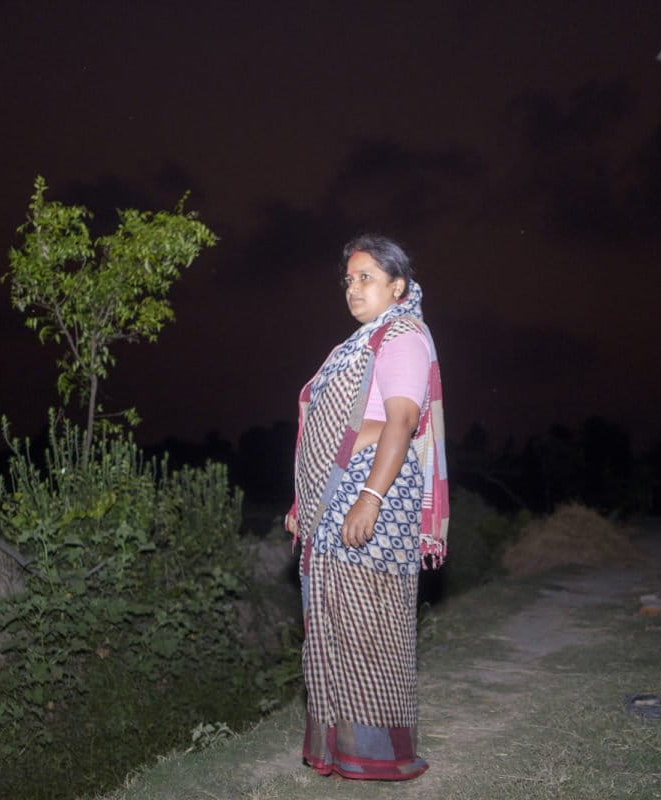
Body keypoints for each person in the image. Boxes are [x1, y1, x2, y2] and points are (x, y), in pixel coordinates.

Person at [285, 233, 449, 780]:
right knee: (333, 624)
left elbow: (401, 422)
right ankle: (338, 749)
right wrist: (302, 500)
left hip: (373, 500)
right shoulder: (357, 345)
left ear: (397, 287)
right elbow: (328, 437)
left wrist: (369, 500)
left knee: (368, 626)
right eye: (349, 280)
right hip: (332, 503)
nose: (353, 289)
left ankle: (377, 755)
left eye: (367, 279)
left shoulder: (402, 336)